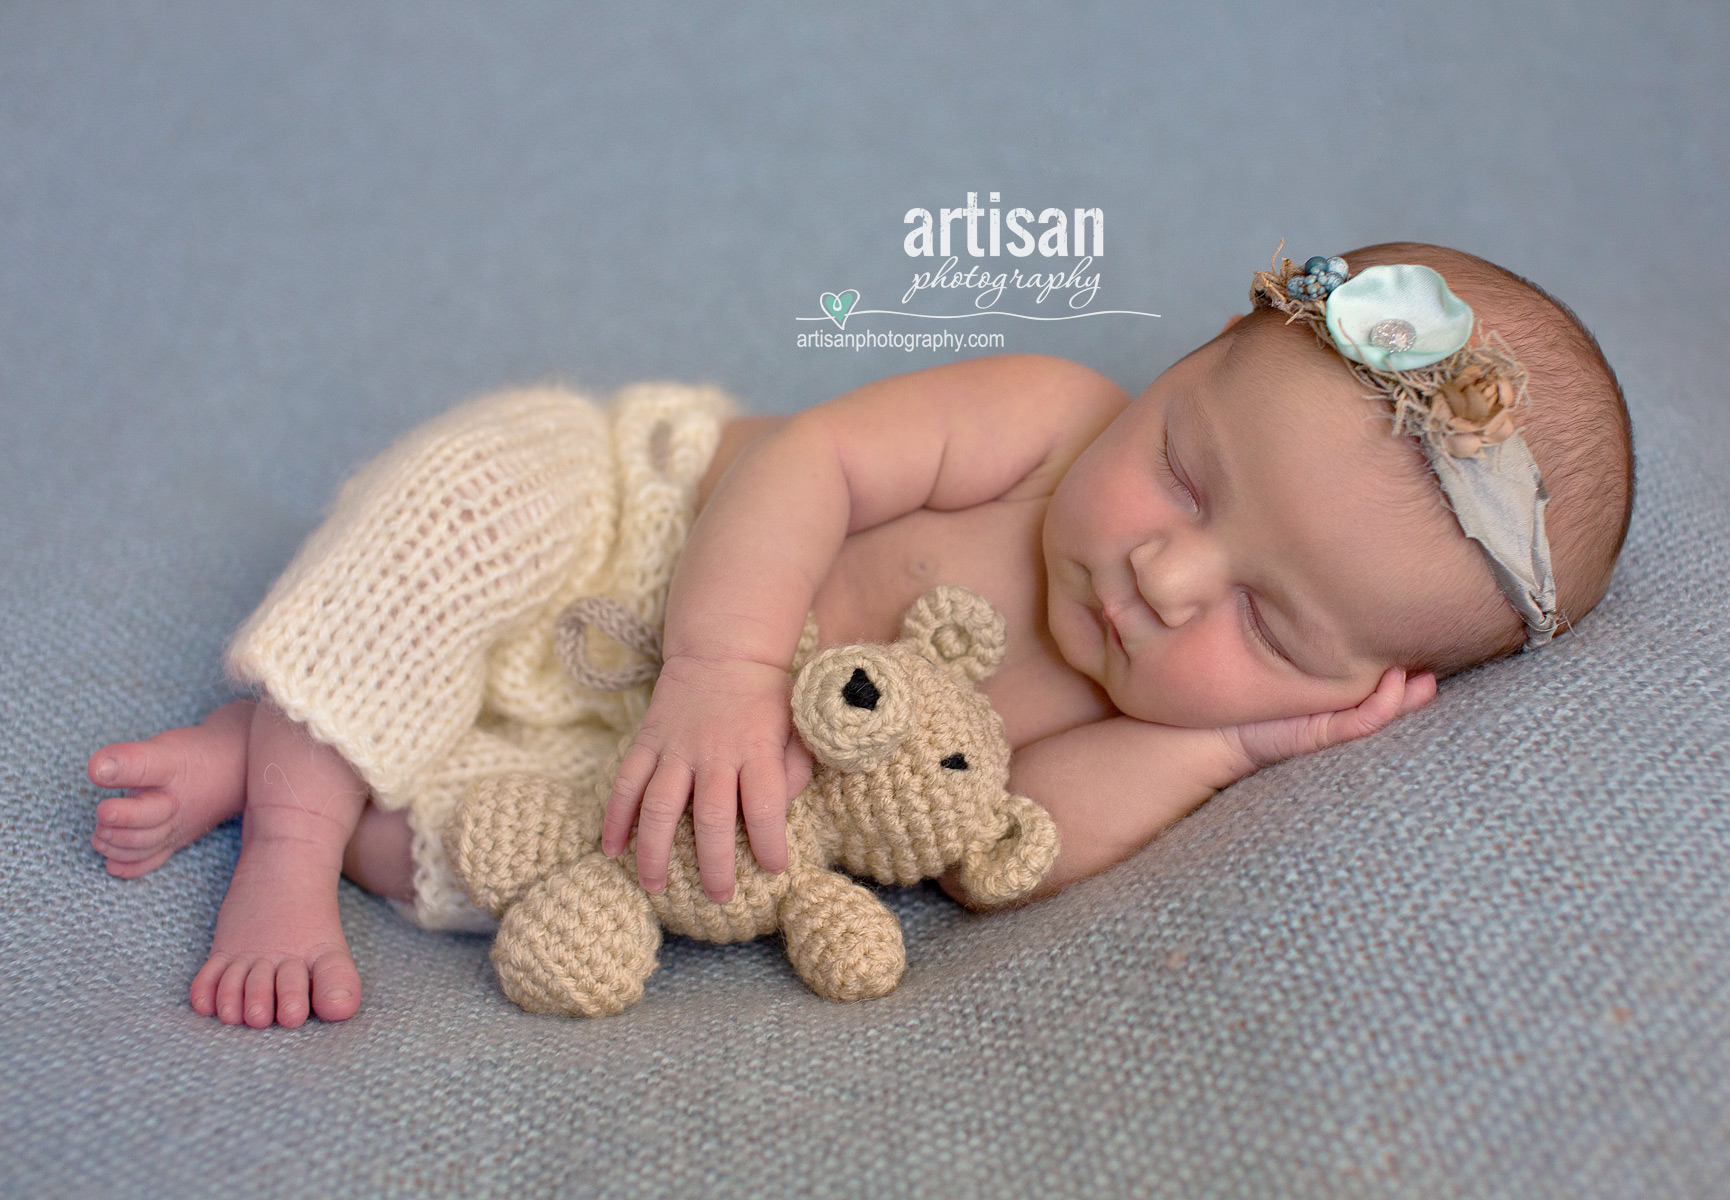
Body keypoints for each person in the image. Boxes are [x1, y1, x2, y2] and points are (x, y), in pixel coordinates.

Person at [84, 241, 1635, 1029]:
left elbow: (998, 845)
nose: (1165, 577)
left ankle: (299, 775)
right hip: (637, 527)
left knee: (492, 844)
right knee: (450, 525)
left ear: (1362, 685)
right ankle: (279, 822)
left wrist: (1225, 743)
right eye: (1183, 467)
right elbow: (804, 461)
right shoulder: (1043, 423)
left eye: (1269, 623)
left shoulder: (1157, 714)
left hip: (637, 758)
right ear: (1188, 360)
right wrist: (724, 667)